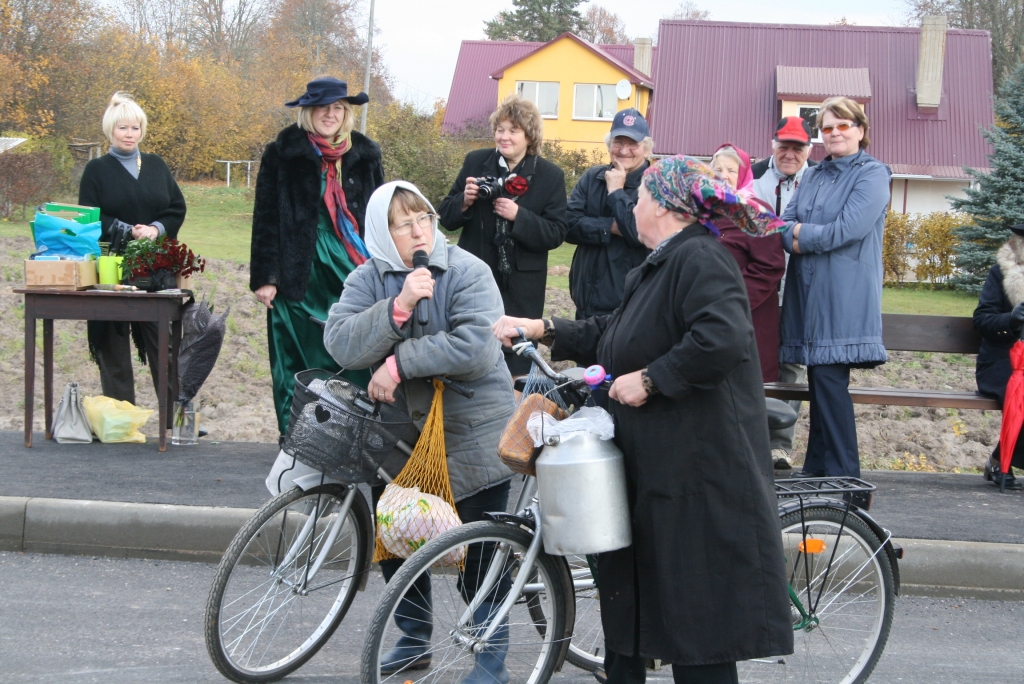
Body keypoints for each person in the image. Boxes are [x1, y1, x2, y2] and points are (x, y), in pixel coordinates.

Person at [494, 156, 793, 684]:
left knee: (698, 634)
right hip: (659, 468)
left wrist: (653, 379)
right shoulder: (662, 261)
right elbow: (615, 331)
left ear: (666, 206)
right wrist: (544, 327)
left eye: (643, 195)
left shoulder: (701, 258)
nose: (633, 204)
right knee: (639, 615)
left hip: (697, 476)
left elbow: (723, 337)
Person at [325, 181, 516, 680]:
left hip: (471, 430)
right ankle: (414, 638)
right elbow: (341, 344)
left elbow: (476, 346)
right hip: (399, 438)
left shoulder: (469, 270)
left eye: (424, 219)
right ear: (381, 234)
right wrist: (398, 308)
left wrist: (397, 364)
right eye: (403, 224)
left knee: (479, 552)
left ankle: (491, 653)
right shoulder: (368, 278)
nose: (418, 232)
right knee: (398, 537)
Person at [250, 77, 383, 439]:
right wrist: (265, 276)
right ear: (309, 112)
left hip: (350, 267)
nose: (330, 114)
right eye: (323, 107)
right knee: (296, 357)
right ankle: (298, 438)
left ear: (347, 113)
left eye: (338, 107)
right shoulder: (282, 152)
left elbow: (379, 220)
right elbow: (266, 216)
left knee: (350, 354)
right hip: (298, 269)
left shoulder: (365, 154)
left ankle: (350, 436)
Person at [779, 97, 890, 479]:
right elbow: (782, 225)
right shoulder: (811, 175)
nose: (835, 133)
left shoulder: (873, 174)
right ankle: (818, 471)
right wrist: (795, 233)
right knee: (822, 382)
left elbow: (847, 231)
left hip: (844, 294)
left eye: (843, 125)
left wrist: (799, 236)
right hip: (808, 293)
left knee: (828, 380)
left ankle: (846, 478)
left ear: (860, 130)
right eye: (828, 128)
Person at [438, 94, 568, 375]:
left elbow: (557, 232)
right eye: (500, 130)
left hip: (522, 288)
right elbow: (446, 217)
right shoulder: (476, 162)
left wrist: (519, 216)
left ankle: (512, 412)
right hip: (475, 280)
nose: (504, 137)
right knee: (470, 348)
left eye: (513, 131)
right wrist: (465, 200)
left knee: (516, 358)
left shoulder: (550, 176)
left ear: (529, 136)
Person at [79, 92, 186, 414]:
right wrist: (126, 229)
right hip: (111, 268)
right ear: (111, 130)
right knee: (112, 344)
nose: (130, 134)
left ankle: (174, 416)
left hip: (155, 269)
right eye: (123, 128)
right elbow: (88, 216)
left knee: (162, 343)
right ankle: (121, 417)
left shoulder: (156, 166)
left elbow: (176, 207)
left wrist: (154, 228)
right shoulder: (96, 170)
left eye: (135, 128)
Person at [752, 116, 816, 469]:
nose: (790, 153)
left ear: (809, 149)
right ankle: (751, 435)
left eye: (798, 147)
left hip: (798, 285)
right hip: (759, 282)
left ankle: (779, 444)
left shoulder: (819, 180)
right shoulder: (754, 177)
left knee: (792, 361)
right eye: (784, 146)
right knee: (754, 357)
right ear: (773, 145)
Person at [565, 109, 652, 320]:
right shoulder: (592, 177)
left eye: (633, 144)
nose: (624, 150)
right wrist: (610, 227)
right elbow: (567, 224)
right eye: (618, 142)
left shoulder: (654, 184)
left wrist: (616, 192)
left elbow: (637, 231)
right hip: (584, 301)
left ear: (646, 148)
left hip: (629, 308)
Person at [710, 143, 785, 383]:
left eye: (731, 170)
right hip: (709, 313)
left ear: (743, 175)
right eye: (718, 170)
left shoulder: (757, 212)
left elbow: (770, 267)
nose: (724, 176)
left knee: (747, 385)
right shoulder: (706, 213)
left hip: (747, 314)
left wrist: (731, 298)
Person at [972, 224, 1024, 491]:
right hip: (1001, 362)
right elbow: (982, 319)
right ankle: (1000, 461)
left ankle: (997, 459)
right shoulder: (1001, 273)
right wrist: (1011, 320)